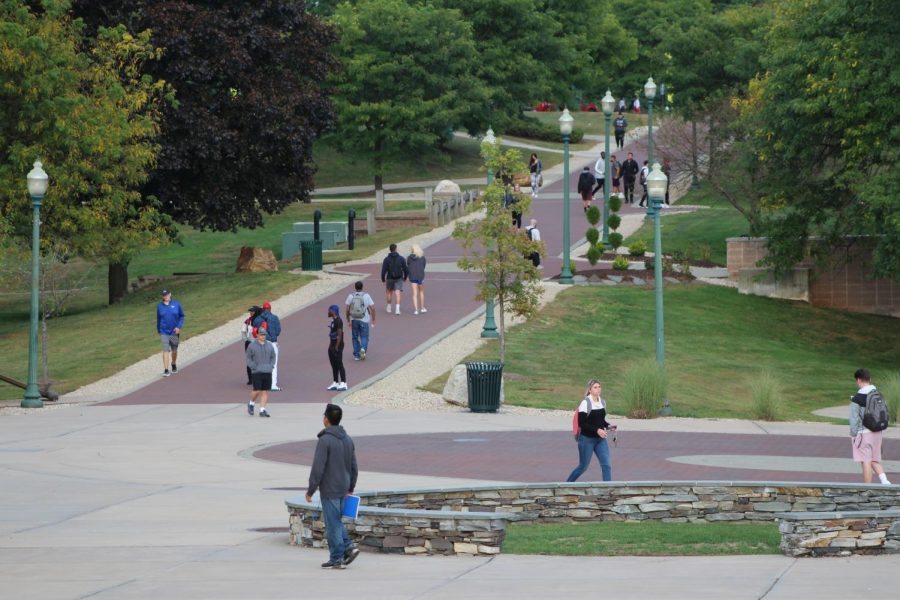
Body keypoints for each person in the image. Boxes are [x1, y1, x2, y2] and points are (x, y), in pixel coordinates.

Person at [306, 403, 360, 569]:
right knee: (336, 521)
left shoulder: (325, 440)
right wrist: (351, 486)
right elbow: (354, 466)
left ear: (326, 420)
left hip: (329, 488)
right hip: (343, 487)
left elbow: (318, 467)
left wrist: (311, 490)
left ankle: (337, 557)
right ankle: (348, 548)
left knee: (333, 523)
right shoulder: (348, 439)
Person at [566, 379, 614, 482]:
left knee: (607, 465)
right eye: (595, 387)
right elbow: (582, 423)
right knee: (583, 467)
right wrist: (597, 430)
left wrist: (608, 426)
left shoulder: (602, 402)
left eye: (599, 387)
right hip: (586, 440)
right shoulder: (586, 403)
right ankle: (566, 485)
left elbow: (600, 420)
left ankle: (608, 491)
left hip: (600, 440)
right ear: (590, 390)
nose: (598, 389)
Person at [849, 368, 891, 485]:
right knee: (874, 459)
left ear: (858, 380)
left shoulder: (857, 398)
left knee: (865, 461)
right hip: (878, 431)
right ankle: (885, 481)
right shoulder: (877, 393)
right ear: (870, 379)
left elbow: (854, 419)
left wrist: (853, 434)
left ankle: (867, 488)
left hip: (864, 433)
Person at [245, 327, 275, 417]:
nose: (263, 336)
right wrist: (253, 367)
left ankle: (262, 410)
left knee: (265, 391)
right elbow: (248, 358)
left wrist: (271, 366)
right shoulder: (251, 346)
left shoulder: (269, 345)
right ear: (257, 335)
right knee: (257, 390)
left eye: (264, 334)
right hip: (257, 372)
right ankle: (251, 403)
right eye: (261, 334)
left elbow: (273, 357)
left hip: (267, 371)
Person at [252, 302, 282, 391]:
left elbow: (254, 328)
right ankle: (273, 385)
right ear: (270, 308)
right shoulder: (275, 318)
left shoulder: (258, 319)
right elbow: (278, 331)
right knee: (273, 364)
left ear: (263, 309)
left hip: (262, 343)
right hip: (273, 343)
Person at [156, 289, 185, 377]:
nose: (166, 297)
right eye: (164, 295)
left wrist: (178, 327)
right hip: (164, 331)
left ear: (170, 294)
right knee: (165, 350)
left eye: (167, 295)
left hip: (174, 332)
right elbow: (158, 319)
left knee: (174, 351)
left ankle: (173, 363)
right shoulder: (159, 306)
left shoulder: (177, 304)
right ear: (162, 296)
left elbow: (182, 316)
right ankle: (166, 370)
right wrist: (159, 330)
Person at [345, 281, 376, 361]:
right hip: (364, 319)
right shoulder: (366, 296)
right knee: (364, 336)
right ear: (362, 287)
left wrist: (348, 320)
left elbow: (347, 309)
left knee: (355, 337)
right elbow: (372, 308)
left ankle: (356, 355)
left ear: (355, 287)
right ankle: (363, 349)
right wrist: (373, 319)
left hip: (354, 319)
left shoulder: (350, 296)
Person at [380, 243, 408, 315]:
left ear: (390, 250)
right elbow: (405, 269)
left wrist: (383, 279)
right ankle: (397, 309)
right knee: (397, 292)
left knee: (389, 292)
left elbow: (383, 270)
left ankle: (389, 307)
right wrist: (405, 277)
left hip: (389, 278)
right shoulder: (401, 258)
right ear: (396, 249)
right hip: (399, 278)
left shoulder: (386, 259)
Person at [327, 304, 347, 391]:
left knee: (339, 363)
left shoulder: (339, 321)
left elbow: (339, 334)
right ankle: (335, 382)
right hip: (332, 346)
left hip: (337, 346)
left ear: (333, 311)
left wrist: (336, 347)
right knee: (334, 365)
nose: (328, 312)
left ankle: (343, 382)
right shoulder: (333, 321)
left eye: (329, 310)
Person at [241, 305, 263, 384]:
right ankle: (251, 379)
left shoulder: (249, 321)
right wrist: (246, 340)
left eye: (252, 311)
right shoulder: (254, 321)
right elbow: (243, 331)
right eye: (250, 311)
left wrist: (245, 339)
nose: (250, 313)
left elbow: (243, 332)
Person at [406, 244, 428, 315]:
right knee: (421, 292)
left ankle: (416, 309)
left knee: (414, 294)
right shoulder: (422, 257)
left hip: (412, 276)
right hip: (420, 276)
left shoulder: (409, 258)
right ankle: (422, 307)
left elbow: (408, 265)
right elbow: (424, 265)